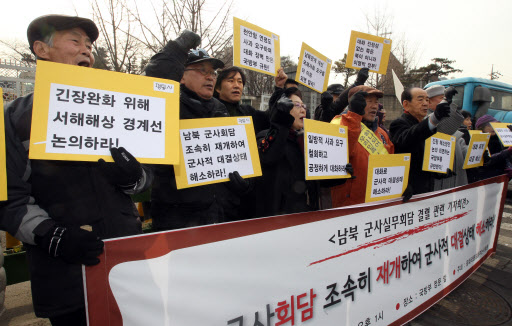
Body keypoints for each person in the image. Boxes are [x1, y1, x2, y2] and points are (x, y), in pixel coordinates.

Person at [0, 15, 153, 325]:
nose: (87, 50)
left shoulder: (119, 107)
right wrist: (49, 234)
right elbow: (10, 197)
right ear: (41, 49)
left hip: (128, 262)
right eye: (75, 41)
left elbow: (148, 173)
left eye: (89, 45)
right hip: (65, 272)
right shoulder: (14, 118)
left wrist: (135, 178)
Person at [144, 34, 251, 229]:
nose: (210, 77)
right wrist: (176, 49)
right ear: (181, 76)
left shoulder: (219, 109)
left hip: (217, 215)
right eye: (203, 70)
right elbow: (152, 79)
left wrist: (239, 183)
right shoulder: (167, 105)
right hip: (177, 219)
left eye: (213, 72)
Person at [329, 86, 394, 207]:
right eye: (369, 101)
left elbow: (391, 165)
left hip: (378, 205)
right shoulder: (338, 124)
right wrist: (353, 116)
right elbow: (341, 153)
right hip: (349, 207)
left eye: (376, 102)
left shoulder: (382, 133)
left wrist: (401, 186)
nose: (375, 106)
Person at [256, 88, 315, 216]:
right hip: (276, 218)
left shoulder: (306, 142)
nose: (303, 110)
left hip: (304, 215)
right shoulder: (264, 136)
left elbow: (319, 181)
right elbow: (269, 156)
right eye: (296, 105)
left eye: (303, 106)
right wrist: (281, 119)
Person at [390, 88, 451, 195]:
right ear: (406, 104)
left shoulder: (428, 127)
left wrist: (438, 170)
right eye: (420, 99)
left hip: (425, 189)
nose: (425, 104)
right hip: (407, 192)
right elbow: (409, 137)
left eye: (427, 100)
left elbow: (426, 159)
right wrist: (434, 118)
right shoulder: (398, 124)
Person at [426, 85, 468, 190]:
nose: (447, 102)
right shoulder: (426, 123)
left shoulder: (455, 130)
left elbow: (463, 150)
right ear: (429, 103)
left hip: (456, 180)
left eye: (446, 98)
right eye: (442, 98)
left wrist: (477, 153)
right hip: (438, 183)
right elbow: (441, 130)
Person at [214, 66, 270, 133]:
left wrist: (279, 88)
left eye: (240, 82)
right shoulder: (209, 112)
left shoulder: (248, 112)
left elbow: (272, 119)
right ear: (218, 88)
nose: (237, 85)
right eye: (231, 81)